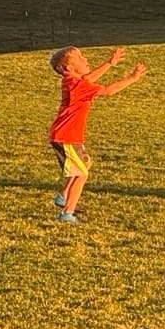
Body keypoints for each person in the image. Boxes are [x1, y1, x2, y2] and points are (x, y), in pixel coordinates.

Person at [47, 45, 146, 224]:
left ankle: (63, 196)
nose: (85, 59)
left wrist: (110, 63)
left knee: (85, 164)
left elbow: (88, 78)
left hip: (68, 135)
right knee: (81, 174)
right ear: (69, 67)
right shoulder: (78, 86)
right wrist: (132, 78)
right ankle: (67, 213)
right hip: (66, 137)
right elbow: (108, 91)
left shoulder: (72, 80)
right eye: (80, 58)